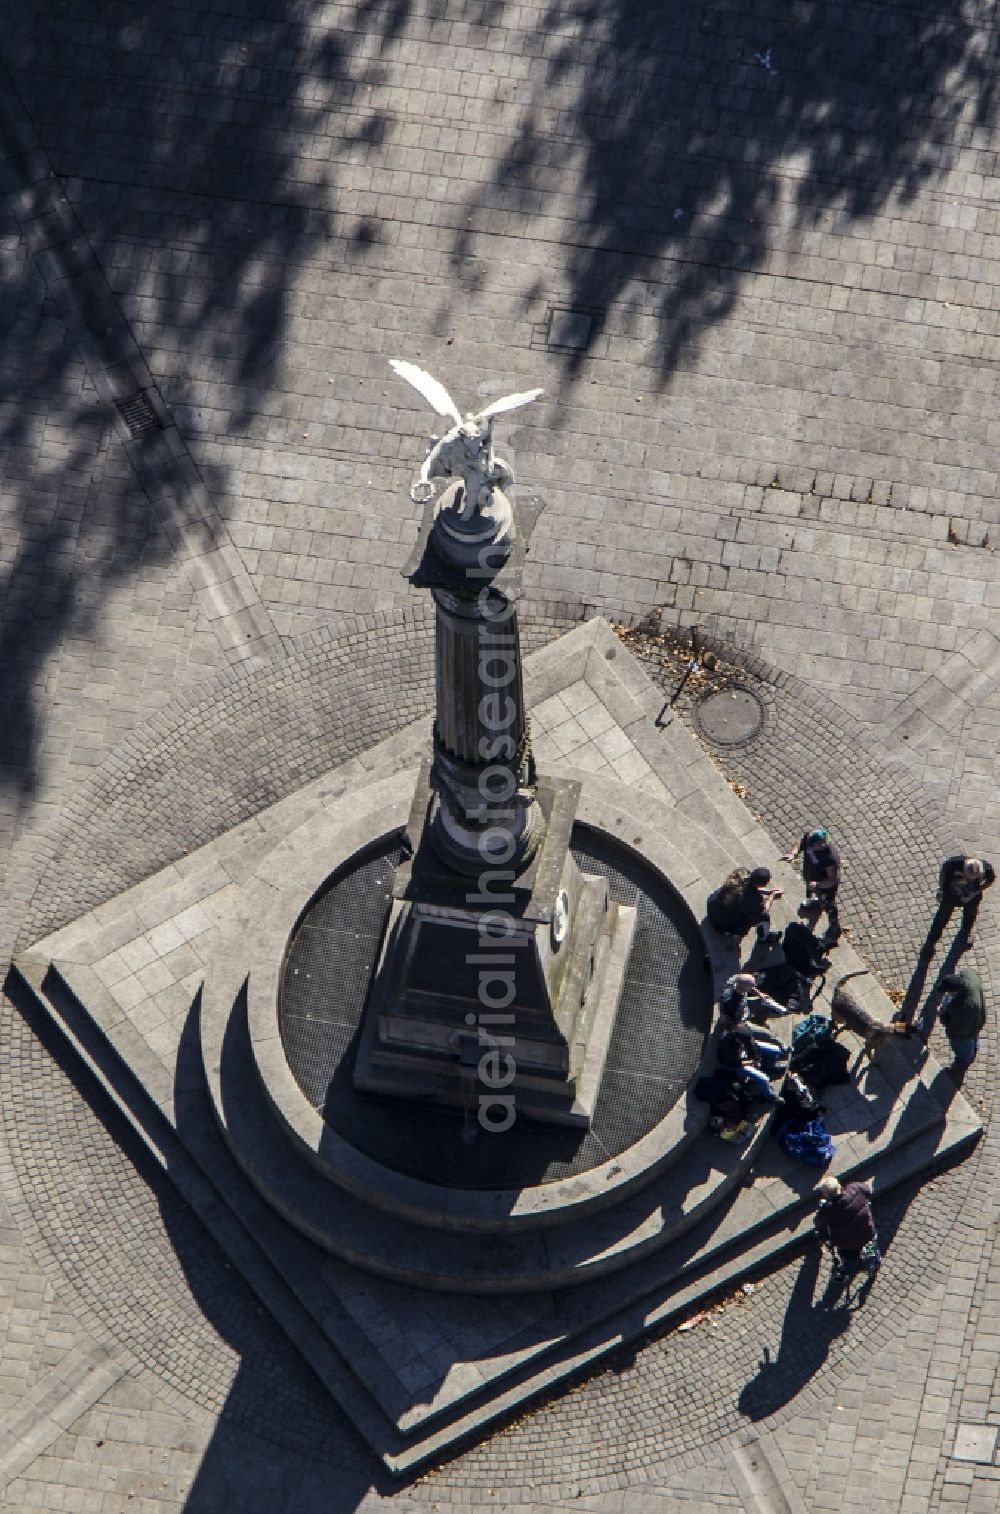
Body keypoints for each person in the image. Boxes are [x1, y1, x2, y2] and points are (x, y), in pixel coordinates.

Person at [780, 827, 842, 947]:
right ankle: (818, 903)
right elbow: (800, 843)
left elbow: (833, 880)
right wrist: (794, 853)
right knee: (819, 898)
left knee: (830, 907)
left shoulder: (830, 858)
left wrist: (817, 885)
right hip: (812, 880)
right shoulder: (809, 839)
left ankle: (833, 933)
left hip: (825, 888)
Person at [922, 855, 995, 955]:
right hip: (951, 894)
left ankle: (965, 933)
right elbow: (943, 876)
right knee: (942, 916)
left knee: (970, 915)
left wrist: (974, 893)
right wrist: (942, 891)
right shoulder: (952, 864)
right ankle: (931, 941)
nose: (969, 880)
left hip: (971, 896)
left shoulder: (987, 869)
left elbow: (990, 881)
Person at [813, 1175, 878, 1279]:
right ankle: (872, 1263)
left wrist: (823, 1239)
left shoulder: (827, 1211)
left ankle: (846, 1270)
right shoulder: (855, 1189)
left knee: (848, 1257)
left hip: (848, 1243)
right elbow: (868, 1190)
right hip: (867, 1232)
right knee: (870, 1247)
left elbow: (822, 1228)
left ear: (826, 1195)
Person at [706, 866, 783, 944]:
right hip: (721, 925)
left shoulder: (741, 873)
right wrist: (772, 897)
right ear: (761, 884)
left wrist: (768, 892)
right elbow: (764, 909)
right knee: (764, 917)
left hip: (712, 905)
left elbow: (749, 886)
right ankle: (764, 938)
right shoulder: (750, 900)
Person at [936, 968, 986, 1069]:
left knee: (963, 1046)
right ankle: (974, 1047)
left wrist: (942, 1015)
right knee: (974, 1034)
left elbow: (957, 1029)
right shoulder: (969, 975)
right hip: (978, 1018)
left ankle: (963, 1061)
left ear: (954, 992)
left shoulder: (960, 1007)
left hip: (965, 1031)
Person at [718, 971, 791, 1030]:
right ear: (744, 989)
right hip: (735, 1016)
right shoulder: (732, 1003)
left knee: (765, 1006)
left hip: (742, 1004)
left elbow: (748, 987)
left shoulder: (735, 980)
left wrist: (760, 994)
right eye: (751, 987)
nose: (754, 988)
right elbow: (728, 1018)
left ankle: (759, 1021)